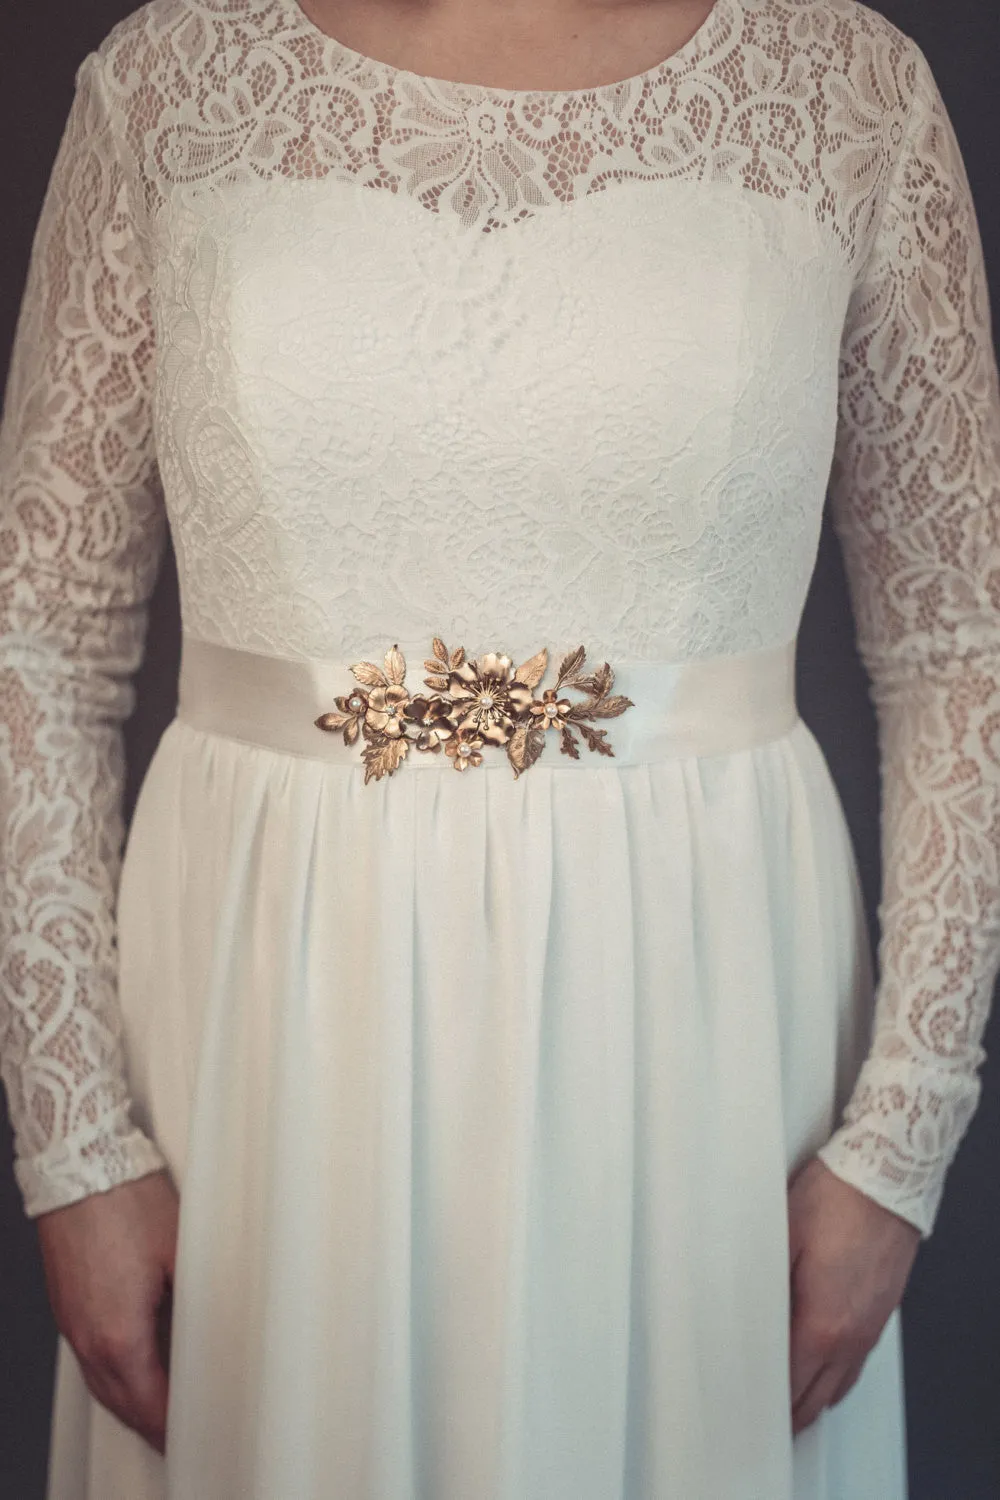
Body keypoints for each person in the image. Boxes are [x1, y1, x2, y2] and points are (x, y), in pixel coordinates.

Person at [1, 0, 998, 1494]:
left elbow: (960, 651)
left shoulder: (845, 88)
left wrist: (902, 1139)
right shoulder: (172, 82)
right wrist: (74, 1137)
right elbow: (39, 647)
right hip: (265, 1021)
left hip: (704, 1031)